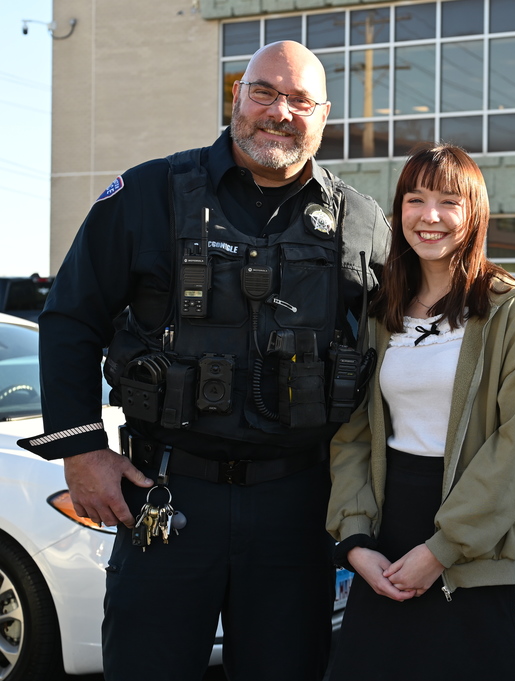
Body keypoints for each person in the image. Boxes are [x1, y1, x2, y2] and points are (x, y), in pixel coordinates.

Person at [18, 41, 392, 680]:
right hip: (166, 495)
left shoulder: (360, 221)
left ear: (324, 116)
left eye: (300, 100)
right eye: (265, 92)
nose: (280, 112)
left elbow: (420, 321)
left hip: (298, 507)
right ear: (237, 97)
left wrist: (508, 340)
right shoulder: (147, 193)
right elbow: (70, 319)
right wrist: (81, 452)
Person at [325, 143, 515, 680]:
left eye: (449, 201)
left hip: (473, 542)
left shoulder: (509, 309)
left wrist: (442, 548)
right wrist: (356, 541)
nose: (430, 216)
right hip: (387, 535)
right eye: (415, 198)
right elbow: (356, 434)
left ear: (473, 212)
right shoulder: (382, 309)